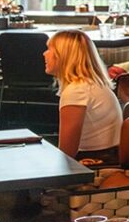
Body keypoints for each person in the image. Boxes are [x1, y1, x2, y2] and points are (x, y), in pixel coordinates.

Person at [45, 30, 123, 162]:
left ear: (64, 55)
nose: (44, 54)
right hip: (109, 156)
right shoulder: (90, 84)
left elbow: (67, 153)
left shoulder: (76, 91)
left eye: (49, 49)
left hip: (95, 162)